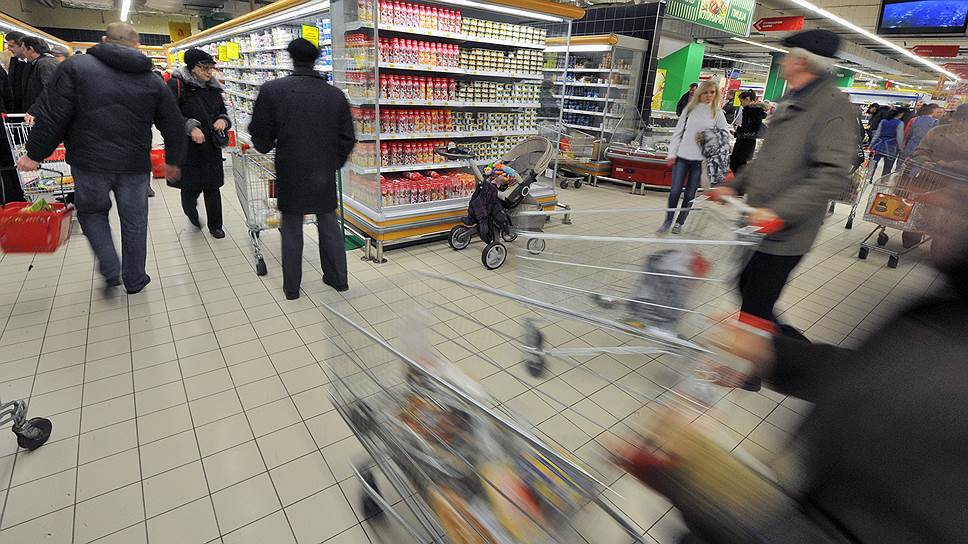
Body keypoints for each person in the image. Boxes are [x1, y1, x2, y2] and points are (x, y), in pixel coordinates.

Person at [620, 183, 968, 544]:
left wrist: (698, 484)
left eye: (961, 190)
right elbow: (887, 381)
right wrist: (774, 354)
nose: (939, 196)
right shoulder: (950, 312)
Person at [709, 29, 856, 390]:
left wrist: (780, 212)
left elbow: (831, 175)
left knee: (756, 300)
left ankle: (762, 370)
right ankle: (788, 357)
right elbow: (767, 161)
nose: (782, 61)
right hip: (759, 224)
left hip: (787, 231)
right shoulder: (793, 100)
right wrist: (733, 185)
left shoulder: (833, 108)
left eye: (787, 55)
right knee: (747, 287)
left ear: (801, 61)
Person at [17, 22, 185, 294]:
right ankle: (135, 279)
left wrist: (35, 154)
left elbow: (53, 114)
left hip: (89, 162)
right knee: (135, 221)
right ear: (137, 46)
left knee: (92, 213)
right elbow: (173, 123)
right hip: (134, 165)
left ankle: (110, 266)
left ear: (105, 40)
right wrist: (174, 160)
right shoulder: (151, 79)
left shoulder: (75, 68)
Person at [249, 38, 356, 299]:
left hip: (290, 167)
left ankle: (292, 288)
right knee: (328, 222)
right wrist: (333, 162)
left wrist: (268, 143)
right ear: (316, 59)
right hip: (323, 170)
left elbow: (260, 133)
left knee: (292, 226)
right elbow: (347, 137)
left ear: (291, 58)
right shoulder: (335, 95)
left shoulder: (272, 90)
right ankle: (338, 279)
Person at [167, 48, 230, 238]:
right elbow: (168, 115)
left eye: (211, 68)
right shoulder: (177, 85)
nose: (210, 72)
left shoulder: (214, 87)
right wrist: (190, 127)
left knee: (213, 187)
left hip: (211, 146)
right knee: (190, 189)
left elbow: (223, 111)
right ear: (193, 67)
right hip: (188, 149)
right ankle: (191, 213)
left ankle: (216, 226)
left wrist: (223, 120)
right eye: (205, 67)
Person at [662, 80, 729, 234]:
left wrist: (707, 137)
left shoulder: (717, 113)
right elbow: (678, 132)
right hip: (682, 157)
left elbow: (725, 135)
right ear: (699, 93)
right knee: (674, 191)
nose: (708, 96)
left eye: (712, 92)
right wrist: (672, 153)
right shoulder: (689, 109)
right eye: (705, 92)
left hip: (700, 162)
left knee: (690, 194)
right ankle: (667, 221)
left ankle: (679, 223)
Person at [20, 37, 59, 124]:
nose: (23, 53)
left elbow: (49, 90)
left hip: (45, 116)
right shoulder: (44, 62)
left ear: (31, 49)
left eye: (24, 49)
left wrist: (33, 110)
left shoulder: (45, 64)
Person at [729, 90, 767, 175]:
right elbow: (748, 128)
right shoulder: (749, 110)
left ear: (747, 99)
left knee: (738, 165)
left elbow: (753, 130)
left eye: (741, 101)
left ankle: (741, 182)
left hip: (746, 143)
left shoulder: (753, 111)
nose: (741, 104)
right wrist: (739, 130)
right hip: (744, 141)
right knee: (735, 164)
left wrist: (738, 132)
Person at [869, 107, 905, 176]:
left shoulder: (883, 121)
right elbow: (899, 137)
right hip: (891, 147)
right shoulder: (900, 123)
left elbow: (877, 134)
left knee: (873, 164)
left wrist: (871, 145)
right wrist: (901, 148)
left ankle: (868, 178)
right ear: (900, 114)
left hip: (879, 145)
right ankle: (884, 180)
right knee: (888, 167)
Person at [4, 32, 29, 114]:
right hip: (14, 110)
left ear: (22, 46)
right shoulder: (14, 61)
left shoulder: (33, 64)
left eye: (11, 46)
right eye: (8, 45)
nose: (8, 49)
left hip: (27, 111)